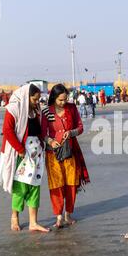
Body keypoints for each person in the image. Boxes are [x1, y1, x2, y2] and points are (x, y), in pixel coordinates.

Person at [0, 84, 50, 233]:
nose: (37, 102)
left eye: (38, 99)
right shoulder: (14, 109)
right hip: (21, 154)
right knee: (20, 187)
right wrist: (20, 150)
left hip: (36, 154)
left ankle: (33, 222)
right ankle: (15, 218)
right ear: (26, 96)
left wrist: (45, 144)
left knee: (35, 187)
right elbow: (7, 130)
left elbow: (40, 130)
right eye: (34, 99)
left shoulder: (36, 110)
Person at [41, 84, 90, 228]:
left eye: (65, 99)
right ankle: (58, 216)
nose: (63, 102)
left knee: (71, 184)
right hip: (52, 154)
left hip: (70, 151)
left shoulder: (72, 108)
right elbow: (43, 133)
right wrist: (51, 141)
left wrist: (71, 133)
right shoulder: (47, 111)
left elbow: (80, 127)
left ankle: (68, 214)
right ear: (54, 98)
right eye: (60, 100)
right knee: (56, 185)